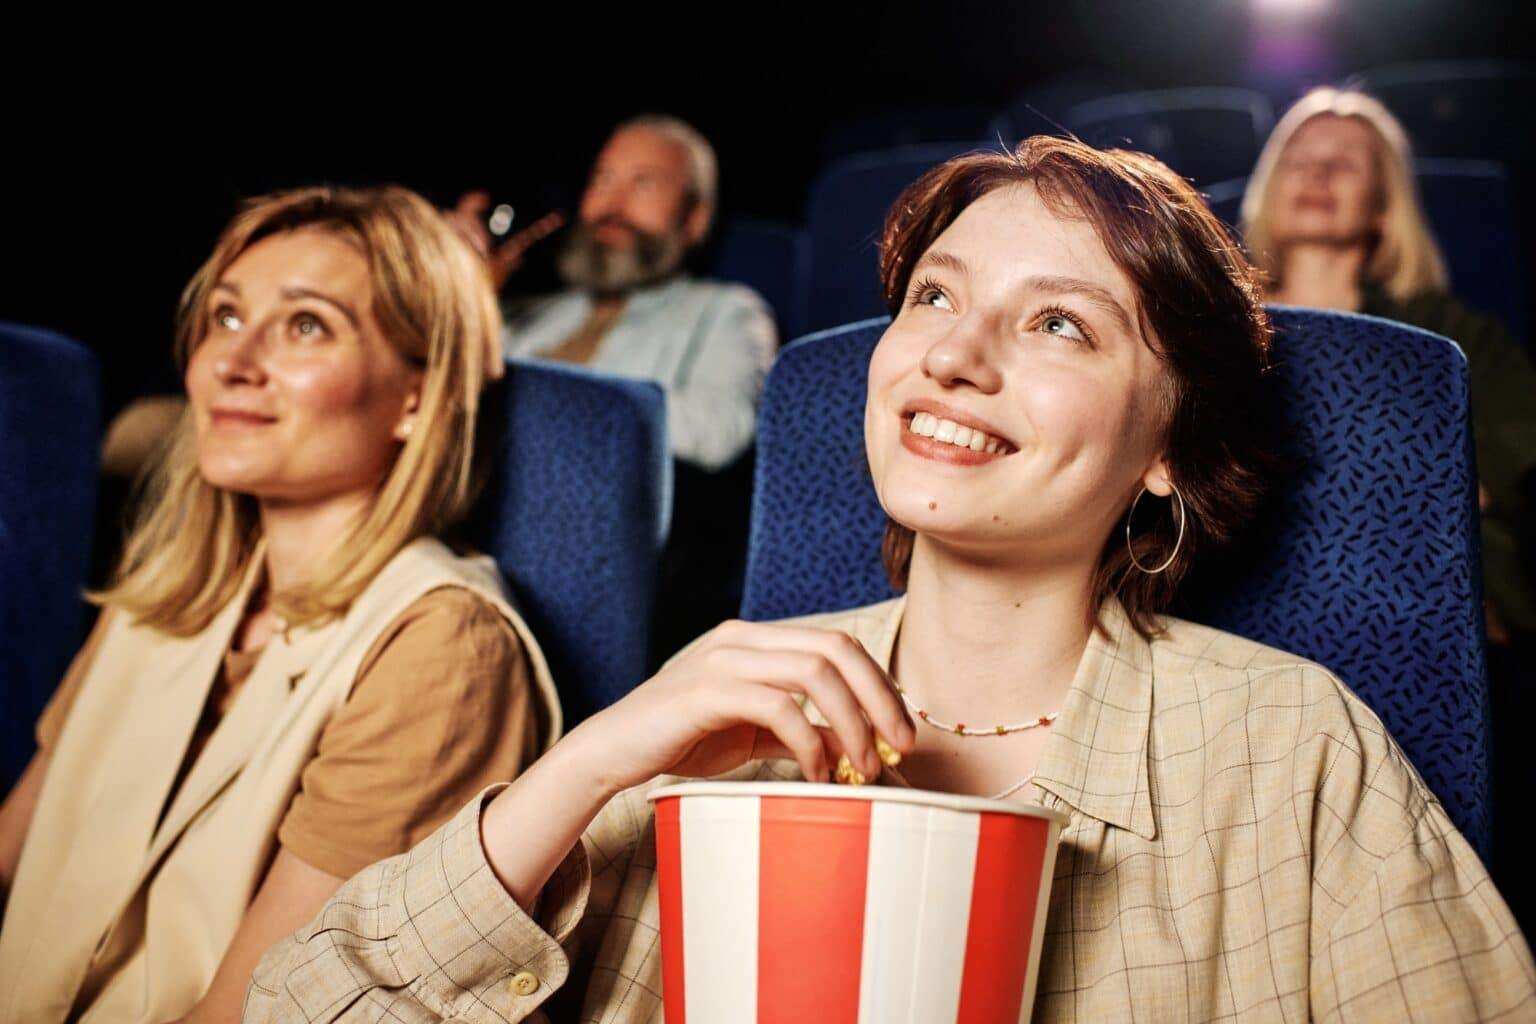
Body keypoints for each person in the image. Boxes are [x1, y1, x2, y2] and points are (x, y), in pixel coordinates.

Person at [247, 139, 1534, 1022]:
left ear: (1167, 451)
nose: (954, 356)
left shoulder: (1291, 745)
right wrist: (585, 766)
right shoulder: (699, 717)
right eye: (933, 297)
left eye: (1057, 324)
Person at [0, 186, 563, 1024]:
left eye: (306, 326)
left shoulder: (444, 646)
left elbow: (253, 1013)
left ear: (416, 397)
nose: (232, 362)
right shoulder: (170, 584)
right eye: (225, 317)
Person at [452, 114, 779, 660]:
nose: (611, 203)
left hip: (598, 565)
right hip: (464, 525)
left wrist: (555, 404)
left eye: (643, 183)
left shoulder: (727, 312)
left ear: (694, 219)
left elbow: (724, 431)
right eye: (601, 180)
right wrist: (455, 297)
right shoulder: (524, 314)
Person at [1241, 85, 1536, 641]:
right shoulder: (1212, 324)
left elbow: (1511, 460)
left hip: (1413, 592)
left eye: (1345, 164)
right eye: (1299, 160)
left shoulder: (1449, 332)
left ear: (1382, 204)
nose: (1318, 174)